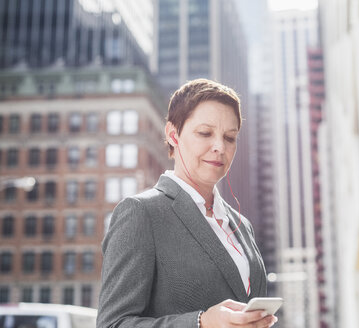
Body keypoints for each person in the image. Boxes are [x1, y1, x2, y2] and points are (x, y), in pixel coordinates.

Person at [97, 79, 278, 328]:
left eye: (230, 137)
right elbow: (112, 324)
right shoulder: (140, 213)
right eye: (205, 133)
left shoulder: (241, 225)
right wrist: (200, 323)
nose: (219, 147)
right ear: (173, 135)